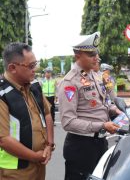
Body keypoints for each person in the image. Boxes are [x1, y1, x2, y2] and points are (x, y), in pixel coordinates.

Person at [58, 32, 122, 180]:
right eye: (91, 54)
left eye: (97, 53)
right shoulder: (70, 82)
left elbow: (101, 103)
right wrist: (102, 125)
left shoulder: (95, 76)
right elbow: (68, 122)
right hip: (81, 146)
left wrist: (114, 110)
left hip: (99, 142)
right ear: (78, 56)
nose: (97, 57)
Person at [0, 42, 54, 180]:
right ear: (12, 68)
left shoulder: (34, 86)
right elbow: (3, 140)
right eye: (31, 66)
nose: (35, 69)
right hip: (15, 171)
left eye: (35, 64)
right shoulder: (2, 94)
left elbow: (47, 114)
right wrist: (35, 156)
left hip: (39, 164)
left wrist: (49, 144)